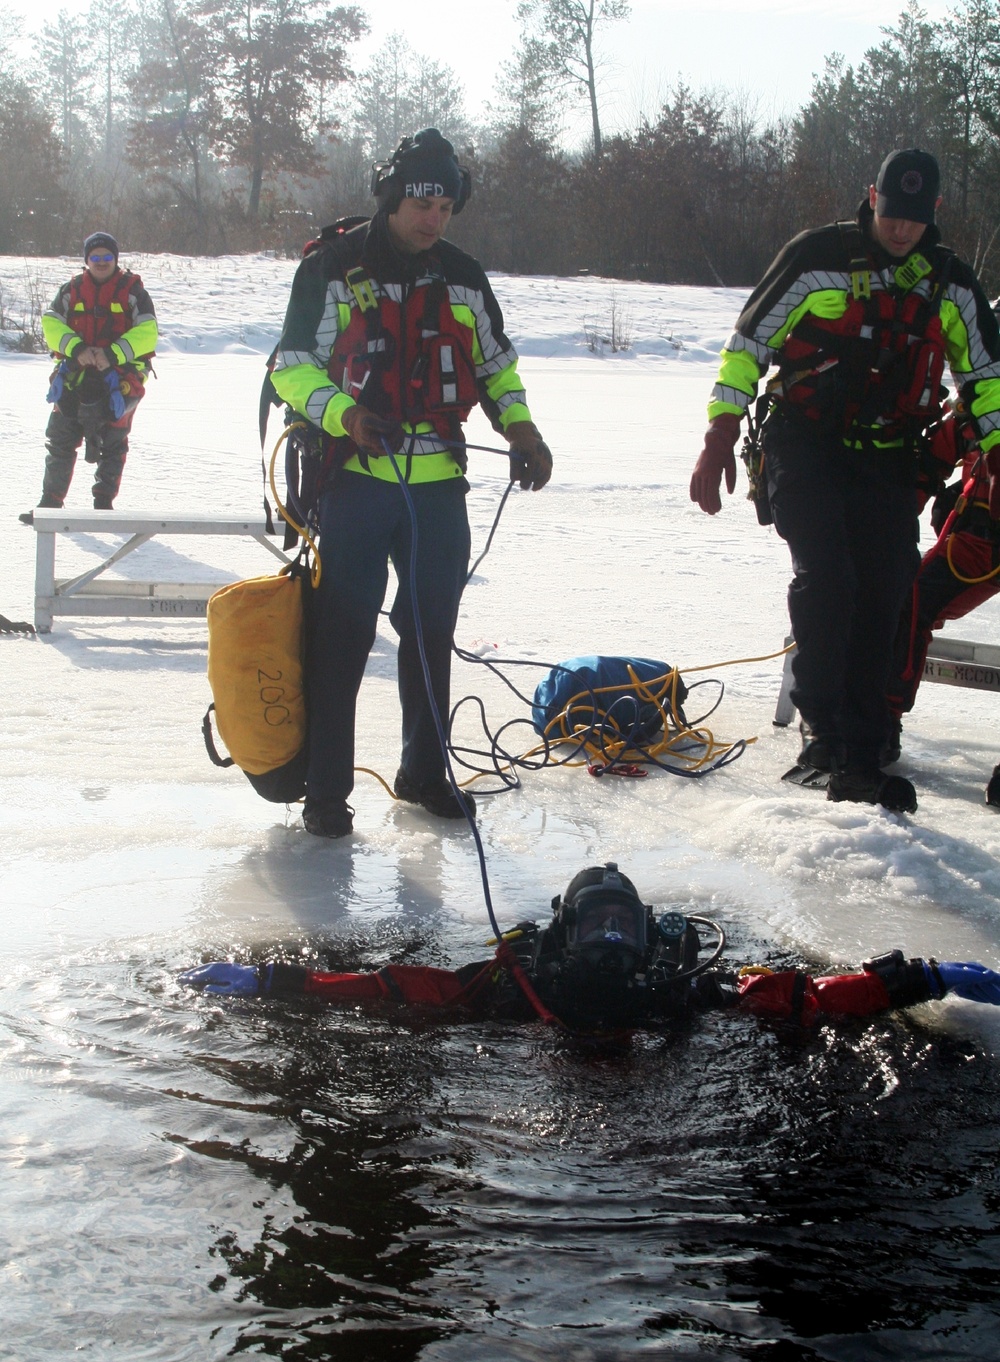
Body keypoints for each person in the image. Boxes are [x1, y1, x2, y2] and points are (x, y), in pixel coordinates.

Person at [689, 148, 1000, 814]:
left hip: (885, 453)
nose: (899, 230)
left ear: (933, 216)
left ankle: (863, 746)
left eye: (914, 220)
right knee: (828, 575)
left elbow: (983, 378)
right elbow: (747, 346)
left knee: (888, 586)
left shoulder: (951, 285)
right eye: (891, 214)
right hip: (804, 442)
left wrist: (997, 450)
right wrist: (719, 433)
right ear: (871, 198)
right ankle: (821, 733)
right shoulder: (817, 257)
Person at [270, 128, 553, 840]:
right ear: (394, 196)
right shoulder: (331, 269)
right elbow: (291, 365)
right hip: (355, 487)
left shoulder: (463, 275)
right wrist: (344, 415)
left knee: (431, 635)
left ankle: (424, 773)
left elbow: (496, 369)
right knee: (342, 638)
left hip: (438, 492)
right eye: (423, 201)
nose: (434, 218)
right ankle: (326, 792)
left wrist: (523, 430)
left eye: (446, 206)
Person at [179, 861, 1000, 1032]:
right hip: (645, 1074)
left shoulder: (519, 979)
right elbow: (806, 997)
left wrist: (278, 982)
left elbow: (396, 987)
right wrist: (916, 977)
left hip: (555, 1061)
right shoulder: (681, 986)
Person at [884, 410, 1000, 809]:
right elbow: (936, 453)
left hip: (979, 543)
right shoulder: (983, 405)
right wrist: (905, 509)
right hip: (975, 543)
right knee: (906, 600)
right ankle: (882, 720)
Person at [36, 233, 158, 511]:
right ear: (87, 260)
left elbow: (148, 332)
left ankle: (103, 503)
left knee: (113, 441)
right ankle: (49, 504)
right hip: (75, 373)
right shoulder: (71, 290)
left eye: (107, 257)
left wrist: (111, 354)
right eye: (95, 258)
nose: (101, 263)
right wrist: (78, 350)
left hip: (121, 376)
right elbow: (51, 324)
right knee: (61, 437)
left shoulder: (133, 291)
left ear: (115, 259)